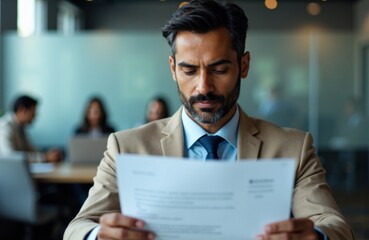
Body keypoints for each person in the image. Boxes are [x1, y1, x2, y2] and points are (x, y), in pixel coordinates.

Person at [64, 1, 353, 239]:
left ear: (244, 65)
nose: (203, 87)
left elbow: (336, 226)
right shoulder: (125, 147)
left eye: (219, 69)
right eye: (189, 71)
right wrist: (98, 235)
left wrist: (316, 236)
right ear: (173, 69)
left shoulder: (293, 148)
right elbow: (77, 228)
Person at [0, 95, 62, 162]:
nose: (34, 117)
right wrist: (44, 157)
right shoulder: (5, 127)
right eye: (33, 113)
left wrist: (48, 154)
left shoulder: (20, 128)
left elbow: (31, 149)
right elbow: (11, 156)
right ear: (22, 110)